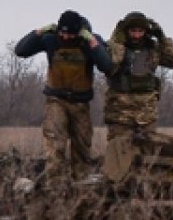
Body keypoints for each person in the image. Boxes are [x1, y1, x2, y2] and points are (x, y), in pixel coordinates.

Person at [13, 10, 113, 184]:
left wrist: (92, 41)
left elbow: (106, 66)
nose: (66, 37)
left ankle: (81, 181)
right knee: (55, 142)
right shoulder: (50, 39)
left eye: (70, 34)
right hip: (56, 100)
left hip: (81, 103)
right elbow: (20, 50)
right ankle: (55, 183)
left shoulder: (90, 41)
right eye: (63, 33)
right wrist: (39, 31)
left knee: (82, 145)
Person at [103, 11, 173, 141]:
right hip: (120, 112)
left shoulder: (153, 49)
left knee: (148, 153)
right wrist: (117, 41)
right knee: (119, 152)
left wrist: (162, 38)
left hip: (147, 113)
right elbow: (110, 66)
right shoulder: (115, 47)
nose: (136, 35)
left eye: (140, 31)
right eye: (133, 31)